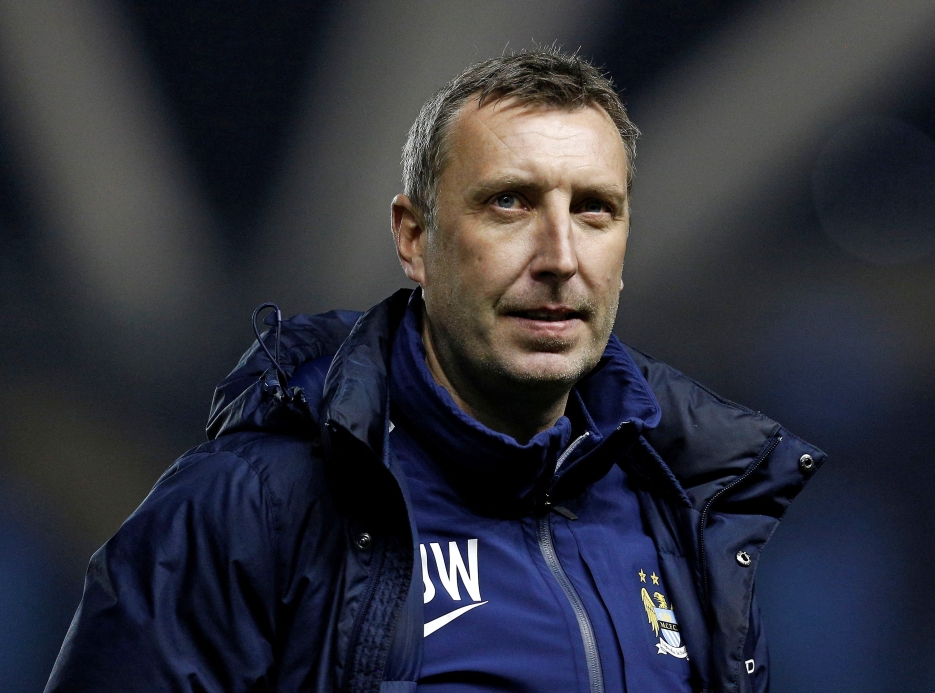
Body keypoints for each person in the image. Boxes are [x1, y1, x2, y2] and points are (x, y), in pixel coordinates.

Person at [45, 48, 825, 693]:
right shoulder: (249, 508)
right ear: (414, 238)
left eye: (594, 209)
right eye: (510, 203)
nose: (560, 258)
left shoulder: (678, 510)